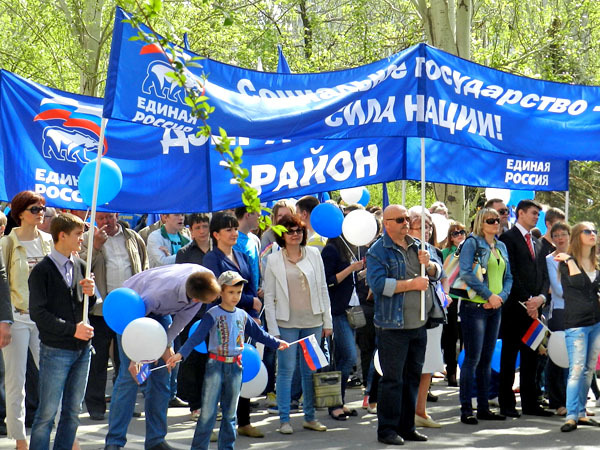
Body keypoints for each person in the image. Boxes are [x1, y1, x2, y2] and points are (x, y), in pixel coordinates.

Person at [104, 264, 221, 450]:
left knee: (162, 377)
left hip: (160, 313)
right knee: (130, 377)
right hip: (132, 309)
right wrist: (136, 356)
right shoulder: (159, 294)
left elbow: (181, 321)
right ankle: (114, 442)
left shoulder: (205, 279)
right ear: (195, 298)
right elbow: (137, 323)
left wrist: (166, 344)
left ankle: (156, 440)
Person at [167, 271, 289, 449]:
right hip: (215, 366)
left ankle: (227, 447)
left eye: (238, 292)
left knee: (230, 414)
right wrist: (180, 354)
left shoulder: (243, 315)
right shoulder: (212, 314)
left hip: (236, 367)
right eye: (231, 292)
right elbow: (196, 337)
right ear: (220, 292)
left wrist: (277, 343)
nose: (235, 297)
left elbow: (260, 334)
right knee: (208, 413)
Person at [366, 204, 442, 446]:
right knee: (393, 380)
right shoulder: (378, 251)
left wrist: (430, 265)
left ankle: (407, 427)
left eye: (407, 218)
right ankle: (387, 430)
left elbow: (438, 272)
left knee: (412, 378)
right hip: (393, 326)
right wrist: (412, 284)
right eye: (400, 219)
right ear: (386, 223)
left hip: (418, 323)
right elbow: (378, 285)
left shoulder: (418, 245)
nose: (405, 223)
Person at [28, 213, 96, 449]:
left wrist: (91, 293)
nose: (82, 239)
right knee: (47, 413)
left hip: (82, 349)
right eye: (78, 234)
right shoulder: (42, 271)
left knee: (72, 412)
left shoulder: (81, 265)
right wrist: (71, 330)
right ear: (62, 236)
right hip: (56, 349)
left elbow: (84, 305)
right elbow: (38, 313)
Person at [263, 214, 333, 435]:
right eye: (290, 231)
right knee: (286, 370)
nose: (295, 234)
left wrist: (327, 321)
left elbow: (323, 288)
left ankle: (310, 417)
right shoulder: (274, 260)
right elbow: (269, 297)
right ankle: (284, 420)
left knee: (310, 371)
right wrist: (273, 331)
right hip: (286, 323)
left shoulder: (314, 254)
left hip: (313, 320)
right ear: (282, 235)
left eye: (299, 230)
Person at [80, 212, 148, 421]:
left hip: (128, 309)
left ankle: (124, 404)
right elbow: (80, 267)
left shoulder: (132, 237)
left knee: (125, 360)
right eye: (101, 219)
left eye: (109, 217)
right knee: (98, 360)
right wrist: (96, 246)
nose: (105, 222)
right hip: (100, 309)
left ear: (116, 216)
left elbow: (144, 266)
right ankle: (96, 406)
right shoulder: (89, 239)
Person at [201, 211, 263, 438]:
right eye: (228, 229)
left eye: (235, 228)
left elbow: (251, 287)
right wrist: (250, 301)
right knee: (218, 376)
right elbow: (220, 291)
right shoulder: (211, 259)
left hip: (242, 320)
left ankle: (243, 421)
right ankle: (210, 427)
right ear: (216, 234)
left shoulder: (242, 255)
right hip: (221, 323)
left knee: (241, 368)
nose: (234, 233)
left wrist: (253, 313)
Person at [0, 191, 53, 450]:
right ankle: (20, 440)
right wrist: (4, 321)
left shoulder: (49, 241)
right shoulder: (6, 243)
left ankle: (62, 434)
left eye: (42, 208)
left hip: (46, 319)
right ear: (20, 213)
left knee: (53, 378)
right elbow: (2, 284)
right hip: (17, 316)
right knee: (16, 381)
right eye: (34, 209)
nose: (40, 213)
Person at [458, 208, 513, 424]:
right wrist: (489, 295)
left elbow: (509, 276)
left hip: (496, 307)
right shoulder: (472, 243)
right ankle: (466, 409)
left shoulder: (501, 246)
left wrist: (501, 297)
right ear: (481, 223)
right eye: (491, 220)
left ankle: (483, 407)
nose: (496, 223)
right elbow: (466, 273)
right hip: (475, 307)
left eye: (497, 220)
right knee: (473, 358)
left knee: (486, 360)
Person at [498, 199, 551, 417]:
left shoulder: (538, 243)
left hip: (534, 311)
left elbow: (544, 275)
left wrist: (540, 299)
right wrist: (528, 300)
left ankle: (530, 404)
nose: (536, 217)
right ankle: (507, 404)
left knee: (531, 358)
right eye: (533, 213)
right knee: (509, 358)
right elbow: (510, 273)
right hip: (514, 309)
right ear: (520, 213)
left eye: (538, 214)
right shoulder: (508, 239)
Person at [321, 205, 365, 421]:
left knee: (343, 357)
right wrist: (351, 269)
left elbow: (350, 280)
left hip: (352, 309)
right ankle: (335, 403)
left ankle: (339, 402)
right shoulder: (331, 250)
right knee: (347, 356)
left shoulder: (349, 247)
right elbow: (328, 281)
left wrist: (360, 272)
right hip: (339, 310)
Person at [557, 223, 600, 432]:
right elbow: (577, 284)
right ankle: (571, 416)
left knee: (589, 370)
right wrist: (571, 260)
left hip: (596, 322)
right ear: (577, 236)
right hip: (576, 324)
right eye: (587, 231)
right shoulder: (566, 263)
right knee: (576, 369)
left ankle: (581, 413)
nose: (593, 234)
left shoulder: (596, 263)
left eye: (595, 231)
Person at [407, 206, 446, 429]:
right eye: (420, 225)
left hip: (432, 313)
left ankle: (420, 410)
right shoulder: (403, 248)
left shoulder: (433, 250)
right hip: (409, 314)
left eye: (429, 226)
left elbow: (439, 273)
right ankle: (406, 410)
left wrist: (429, 265)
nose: (426, 230)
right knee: (410, 366)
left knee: (428, 365)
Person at [545, 222, 570, 416]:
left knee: (576, 358)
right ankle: (557, 400)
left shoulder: (577, 257)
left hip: (580, 313)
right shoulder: (550, 259)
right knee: (558, 357)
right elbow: (558, 288)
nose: (560, 238)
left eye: (563, 234)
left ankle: (574, 401)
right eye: (556, 235)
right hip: (560, 312)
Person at [441, 221, 466, 387]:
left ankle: (465, 372)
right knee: (451, 337)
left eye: (462, 232)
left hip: (466, 298)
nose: (459, 236)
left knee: (465, 337)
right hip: (450, 298)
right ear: (450, 237)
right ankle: (451, 372)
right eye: (455, 233)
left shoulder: (470, 251)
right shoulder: (445, 253)